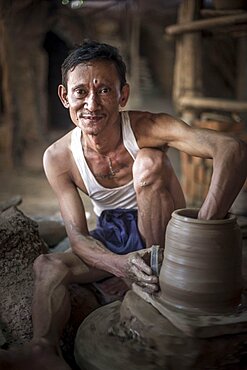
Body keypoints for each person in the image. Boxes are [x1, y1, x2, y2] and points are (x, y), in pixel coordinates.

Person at [0, 40, 246, 370]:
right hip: (114, 237)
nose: (91, 103)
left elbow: (233, 149)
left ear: (123, 95)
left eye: (104, 90)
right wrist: (120, 265)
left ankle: (163, 272)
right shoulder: (58, 158)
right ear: (64, 97)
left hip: (164, 237)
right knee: (48, 266)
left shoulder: (147, 127)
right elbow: (77, 237)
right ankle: (42, 350)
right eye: (80, 92)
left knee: (149, 163)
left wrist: (200, 228)